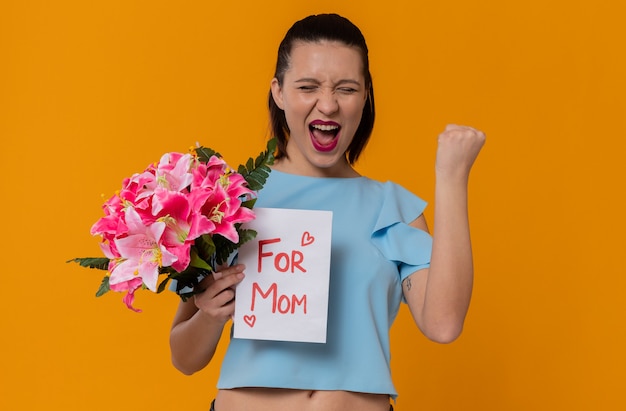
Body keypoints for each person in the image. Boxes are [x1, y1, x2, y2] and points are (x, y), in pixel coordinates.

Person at [169, 13, 485, 411]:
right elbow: (184, 357)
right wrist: (210, 316)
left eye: (347, 89)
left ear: (366, 95)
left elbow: (443, 324)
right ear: (279, 92)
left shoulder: (391, 208)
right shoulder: (229, 200)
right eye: (308, 87)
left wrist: (452, 177)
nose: (329, 104)